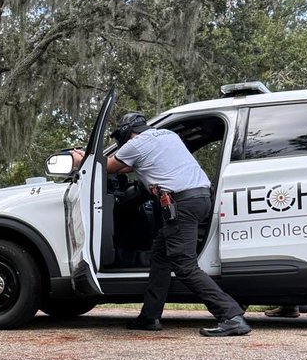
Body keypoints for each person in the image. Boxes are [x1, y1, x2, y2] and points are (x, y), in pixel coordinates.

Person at [72, 113, 250, 337]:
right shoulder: (168, 135)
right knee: (160, 256)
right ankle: (149, 317)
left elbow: (107, 167)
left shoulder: (135, 144)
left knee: (185, 266)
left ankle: (231, 315)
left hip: (181, 204)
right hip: (200, 200)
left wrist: (82, 159)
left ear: (127, 133)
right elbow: (129, 166)